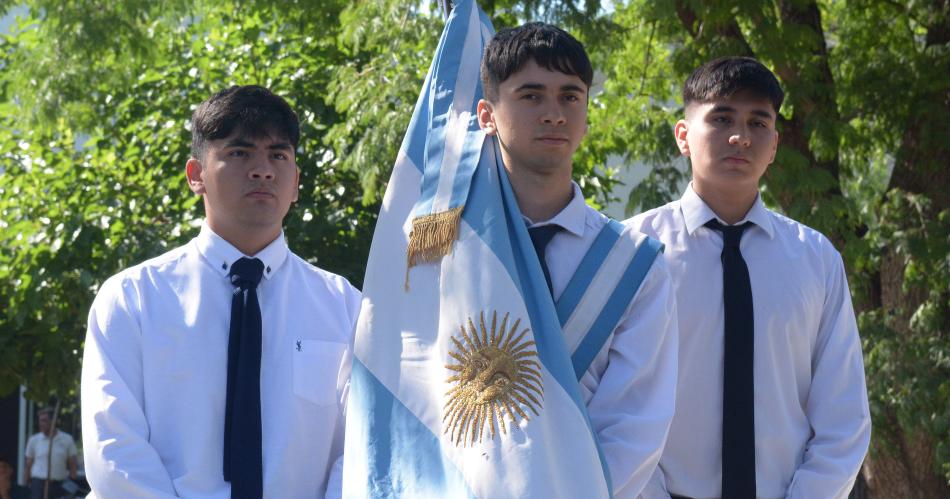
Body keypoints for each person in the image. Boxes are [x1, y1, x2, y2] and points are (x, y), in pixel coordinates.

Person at [81, 85, 361, 498]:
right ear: (196, 176)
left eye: (278, 156)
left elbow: (363, 443)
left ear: (296, 182)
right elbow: (113, 453)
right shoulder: (133, 299)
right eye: (239, 153)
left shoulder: (344, 306)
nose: (263, 170)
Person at [628, 56, 872, 499]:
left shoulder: (815, 259)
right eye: (721, 118)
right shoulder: (632, 252)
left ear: (775, 145)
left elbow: (844, 414)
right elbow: (611, 405)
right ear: (683, 135)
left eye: (758, 123)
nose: (740, 137)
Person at [476, 23, 678, 498]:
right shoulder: (451, 248)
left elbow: (636, 424)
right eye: (531, 96)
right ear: (487, 114)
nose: (554, 114)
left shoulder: (635, 264)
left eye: (570, 96)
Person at [23, 409, 77, 499]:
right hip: (38, 484)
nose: (41, 424)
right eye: (40, 421)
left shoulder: (67, 439)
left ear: (53, 421)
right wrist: (25, 484)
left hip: (58, 484)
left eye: (44, 420)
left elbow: (73, 464)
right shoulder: (34, 440)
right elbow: (28, 465)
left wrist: (72, 483)